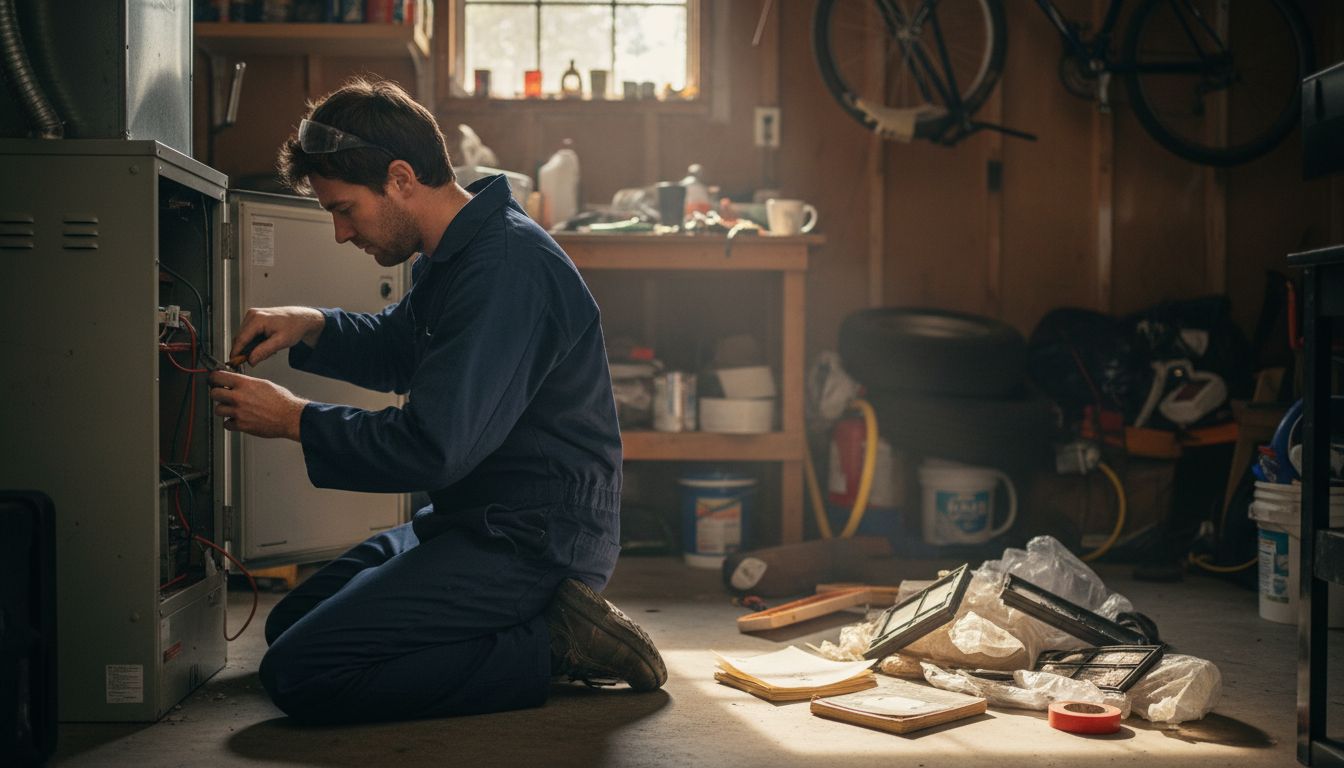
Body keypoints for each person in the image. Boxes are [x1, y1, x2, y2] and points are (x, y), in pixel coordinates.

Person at [206, 77, 666, 724]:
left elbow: (431, 447)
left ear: (400, 179)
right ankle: (495, 627)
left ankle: (553, 641)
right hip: (473, 519)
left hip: (533, 539)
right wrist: (308, 322)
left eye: (344, 209)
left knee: (303, 672)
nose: (341, 233)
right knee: (290, 626)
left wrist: (293, 421)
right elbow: (401, 349)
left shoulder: (506, 268)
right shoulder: (455, 253)